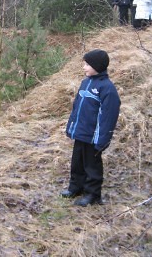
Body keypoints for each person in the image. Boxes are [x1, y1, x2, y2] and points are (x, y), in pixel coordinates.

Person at [60, 49, 121, 206]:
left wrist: (103, 139)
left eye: (87, 64)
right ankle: (76, 187)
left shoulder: (107, 89)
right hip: (81, 132)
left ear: (97, 66)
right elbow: (77, 107)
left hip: (94, 137)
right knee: (77, 163)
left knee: (92, 167)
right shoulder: (86, 82)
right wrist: (71, 126)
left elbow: (108, 117)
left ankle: (92, 194)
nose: (84, 67)